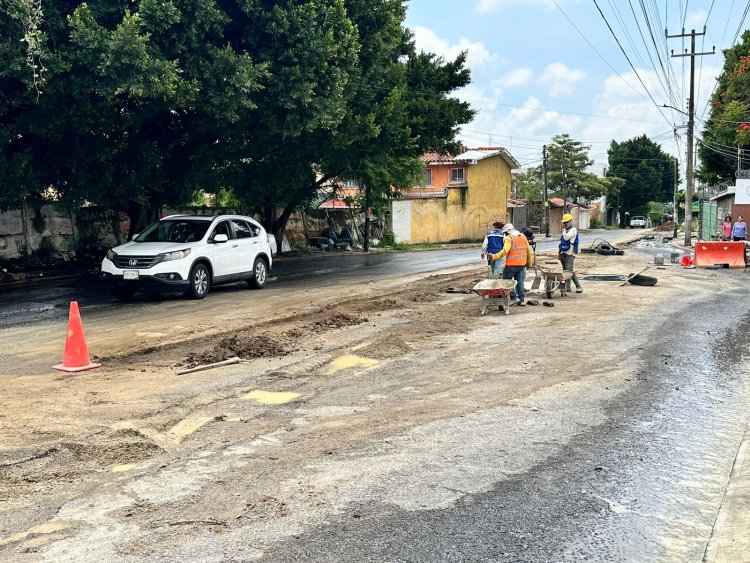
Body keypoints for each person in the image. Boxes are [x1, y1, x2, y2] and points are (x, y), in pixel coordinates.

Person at [490, 223, 533, 306]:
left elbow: (505, 251)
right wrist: (529, 263)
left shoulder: (509, 238)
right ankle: (521, 299)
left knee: (507, 281)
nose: (505, 234)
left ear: (507, 232)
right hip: (521, 264)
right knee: (519, 281)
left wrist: (494, 256)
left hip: (511, 265)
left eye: (505, 233)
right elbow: (528, 251)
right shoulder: (523, 236)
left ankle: (514, 298)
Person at [559, 213, 583, 294]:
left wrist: (564, 230)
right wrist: (559, 252)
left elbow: (566, 238)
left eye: (566, 222)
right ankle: (567, 287)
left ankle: (578, 286)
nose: (564, 224)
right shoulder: (565, 230)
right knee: (565, 271)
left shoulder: (573, 230)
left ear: (570, 221)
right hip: (563, 252)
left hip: (570, 253)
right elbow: (562, 242)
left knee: (569, 271)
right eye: (564, 222)